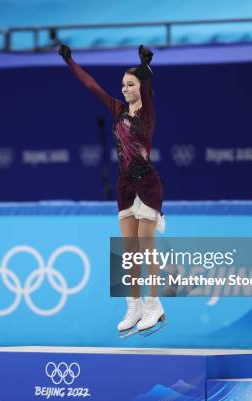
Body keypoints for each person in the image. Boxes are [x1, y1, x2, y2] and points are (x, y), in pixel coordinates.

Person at [59, 44, 166, 336]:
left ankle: (154, 304)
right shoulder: (118, 110)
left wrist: (144, 65)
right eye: (123, 85)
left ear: (140, 87)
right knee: (129, 251)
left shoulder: (147, 114)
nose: (125, 89)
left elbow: (146, 83)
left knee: (146, 244)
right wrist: (70, 61)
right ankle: (134, 305)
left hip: (147, 182)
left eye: (130, 84)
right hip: (125, 185)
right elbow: (91, 86)